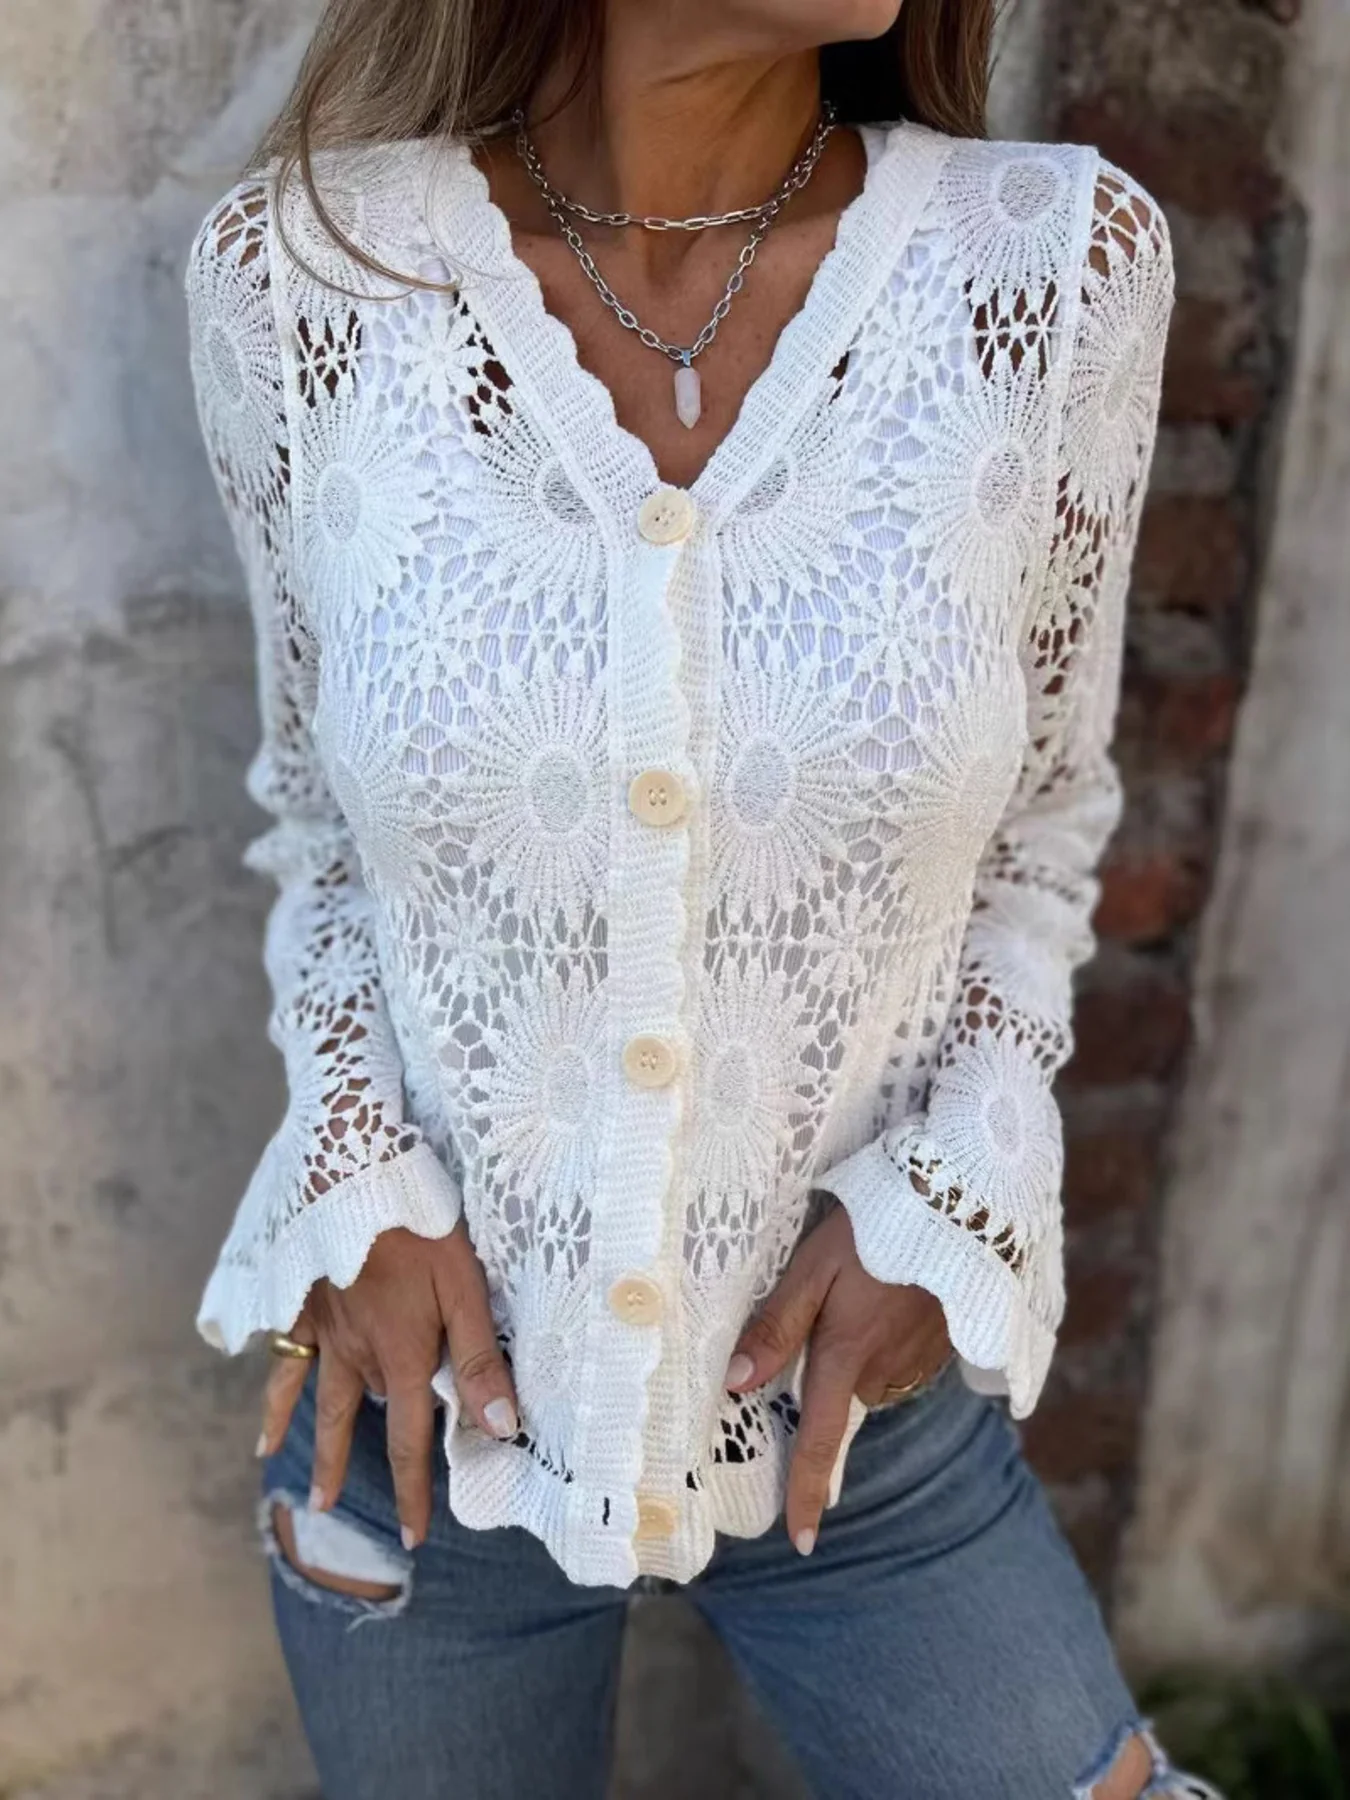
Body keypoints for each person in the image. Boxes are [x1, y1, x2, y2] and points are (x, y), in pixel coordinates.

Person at [184, 2, 1215, 1794]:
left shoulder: (1047, 268)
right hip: (428, 1429)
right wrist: (353, 1173)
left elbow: (1044, 826)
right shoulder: (300, 275)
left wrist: (948, 1198)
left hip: (858, 1429)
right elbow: (317, 824)